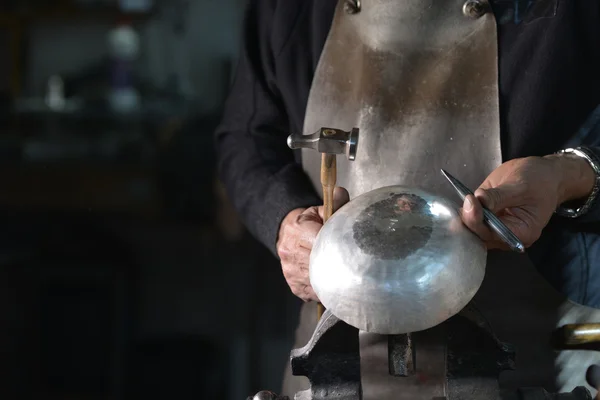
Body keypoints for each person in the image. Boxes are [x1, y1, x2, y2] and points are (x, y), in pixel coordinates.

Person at [215, 0, 600, 396]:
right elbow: (246, 138)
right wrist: (284, 221)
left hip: (518, 361)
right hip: (333, 366)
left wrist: (569, 174)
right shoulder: (289, 10)